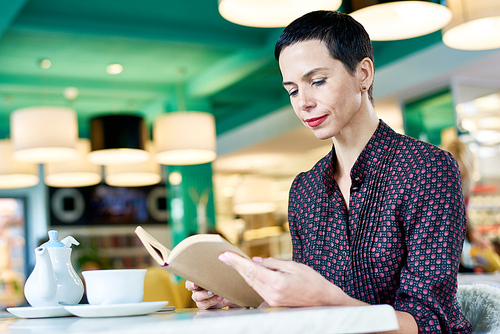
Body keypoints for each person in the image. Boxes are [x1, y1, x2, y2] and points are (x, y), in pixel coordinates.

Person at [187, 10, 472, 334]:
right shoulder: (304, 190)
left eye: (317, 81)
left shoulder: (427, 169)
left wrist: (328, 298)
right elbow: (303, 311)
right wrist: (242, 301)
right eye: (292, 90)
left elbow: (428, 323)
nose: (303, 102)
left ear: (363, 73)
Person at [440, 137, 495, 271]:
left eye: (462, 176)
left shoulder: (464, 192)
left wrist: (474, 236)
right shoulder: (431, 193)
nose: (457, 181)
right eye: (452, 175)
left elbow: (463, 214)